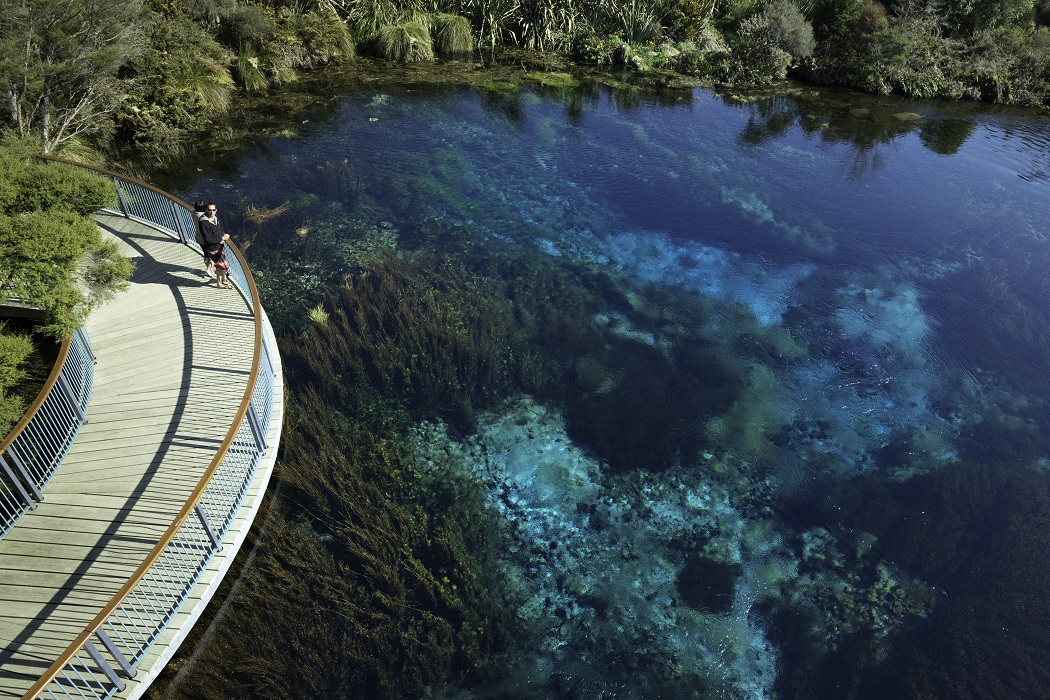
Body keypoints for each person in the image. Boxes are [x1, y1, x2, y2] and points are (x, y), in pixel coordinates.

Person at [198, 202, 232, 289]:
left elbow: (220, 229)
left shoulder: (216, 218)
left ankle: (221, 282)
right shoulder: (204, 222)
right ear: (206, 210)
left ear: (216, 210)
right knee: (223, 266)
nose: (211, 212)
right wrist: (222, 239)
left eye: (213, 210)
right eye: (209, 210)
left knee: (219, 266)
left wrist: (223, 236)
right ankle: (220, 282)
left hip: (219, 247)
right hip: (212, 248)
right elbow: (207, 239)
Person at [194, 201, 215, 279]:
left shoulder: (193, 213)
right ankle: (208, 270)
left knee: (206, 254)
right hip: (206, 239)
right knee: (214, 255)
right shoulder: (204, 217)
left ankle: (210, 270)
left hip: (198, 238)